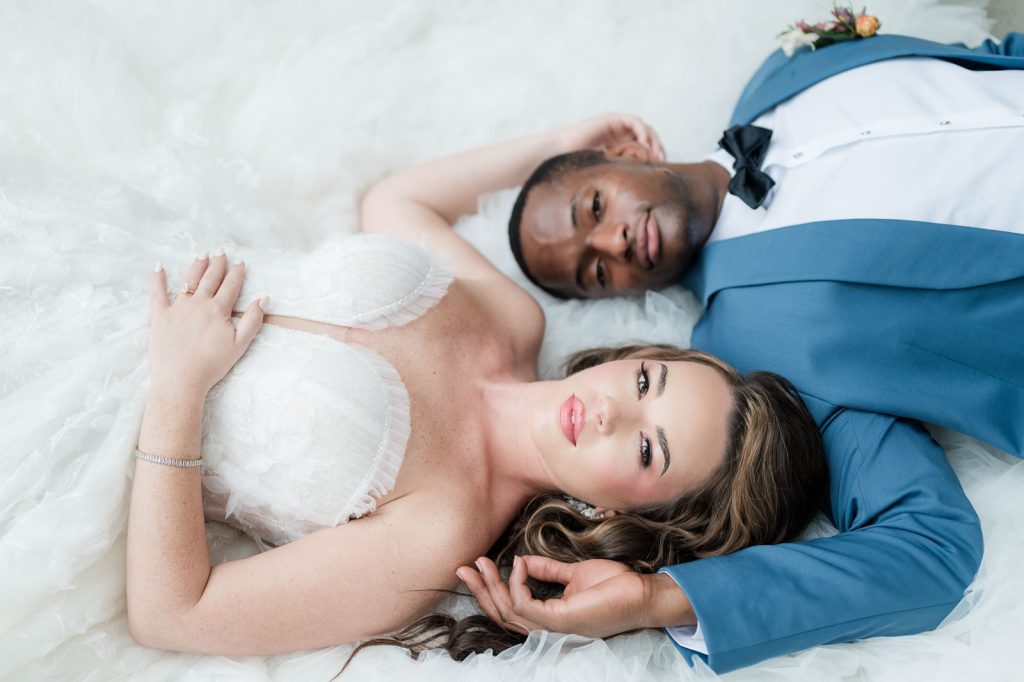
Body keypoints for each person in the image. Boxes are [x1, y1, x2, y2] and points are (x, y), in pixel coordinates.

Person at [122, 113, 829, 660]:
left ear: (624, 513)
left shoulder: (441, 533)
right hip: (123, 249)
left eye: (649, 451)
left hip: (105, 399)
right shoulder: (513, 320)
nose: (613, 409)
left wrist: (179, 386)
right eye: (647, 381)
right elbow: (398, 201)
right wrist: (557, 144)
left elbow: (173, 613)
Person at [458, 32, 1024, 672]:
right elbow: (929, 544)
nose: (611, 244)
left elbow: (988, 56)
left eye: (594, 206)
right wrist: (655, 598)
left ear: (624, 152)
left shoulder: (784, 74)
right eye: (594, 275)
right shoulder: (750, 364)